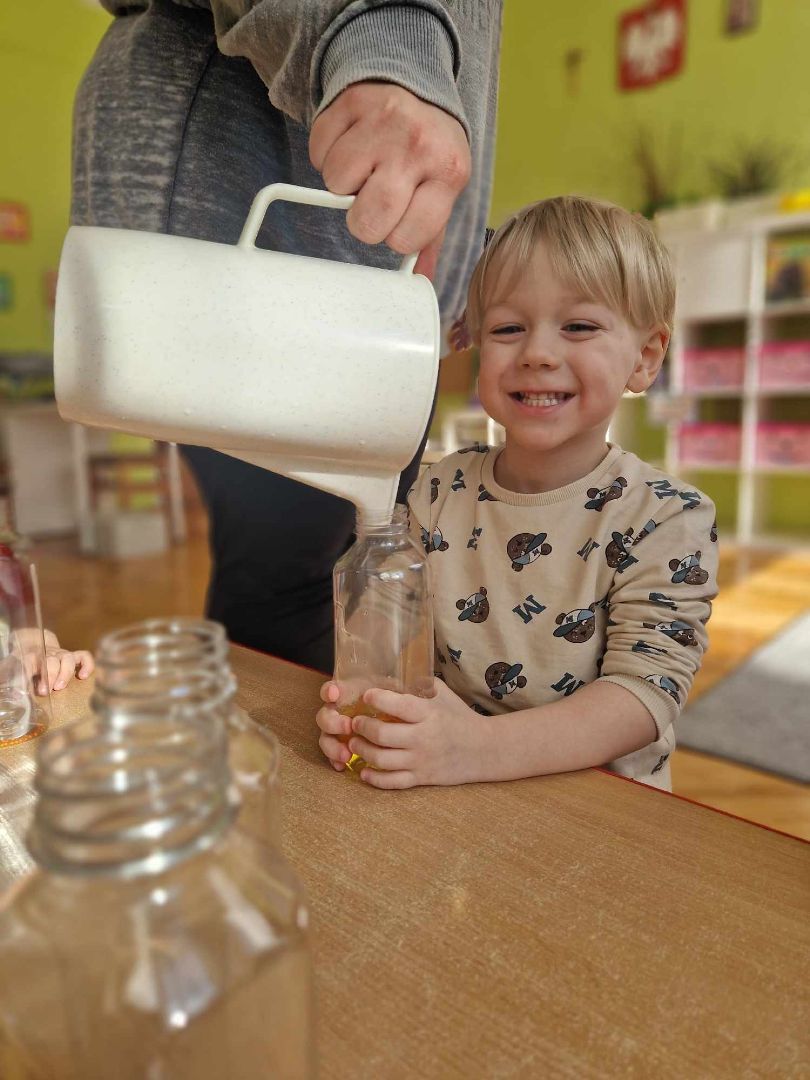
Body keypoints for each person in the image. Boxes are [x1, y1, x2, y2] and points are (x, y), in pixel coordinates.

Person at [71, 0, 503, 670]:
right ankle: (276, 740)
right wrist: (389, 39)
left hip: (389, 289)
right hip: (255, 218)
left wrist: (462, 259)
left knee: (364, 550)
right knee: (290, 579)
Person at [316, 194, 719, 792]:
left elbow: (645, 693)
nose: (537, 354)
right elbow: (386, 630)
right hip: (451, 783)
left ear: (645, 357)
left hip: (597, 809)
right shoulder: (436, 489)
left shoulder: (668, 518)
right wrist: (368, 707)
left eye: (578, 326)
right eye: (508, 329)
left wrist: (474, 749)